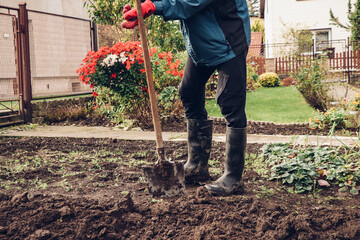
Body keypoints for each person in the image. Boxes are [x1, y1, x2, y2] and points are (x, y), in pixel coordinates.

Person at [122, 0, 251, 196]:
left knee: (230, 100)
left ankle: (234, 178)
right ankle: (197, 165)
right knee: (189, 91)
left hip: (228, 41)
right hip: (201, 46)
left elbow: (191, 2)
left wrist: (155, 7)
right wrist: (143, 7)